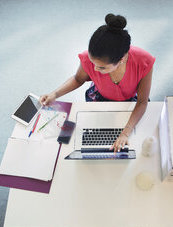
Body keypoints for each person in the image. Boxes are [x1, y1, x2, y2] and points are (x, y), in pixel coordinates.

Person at [39, 13, 155, 152]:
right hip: (99, 98)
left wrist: (125, 133)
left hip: (131, 102)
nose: (94, 69)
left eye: (101, 67)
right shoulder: (90, 59)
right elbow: (78, 79)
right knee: (92, 135)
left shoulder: (144, 61)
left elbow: (142, 102)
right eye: (92, 62)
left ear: (121, 59)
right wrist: (55, 94)